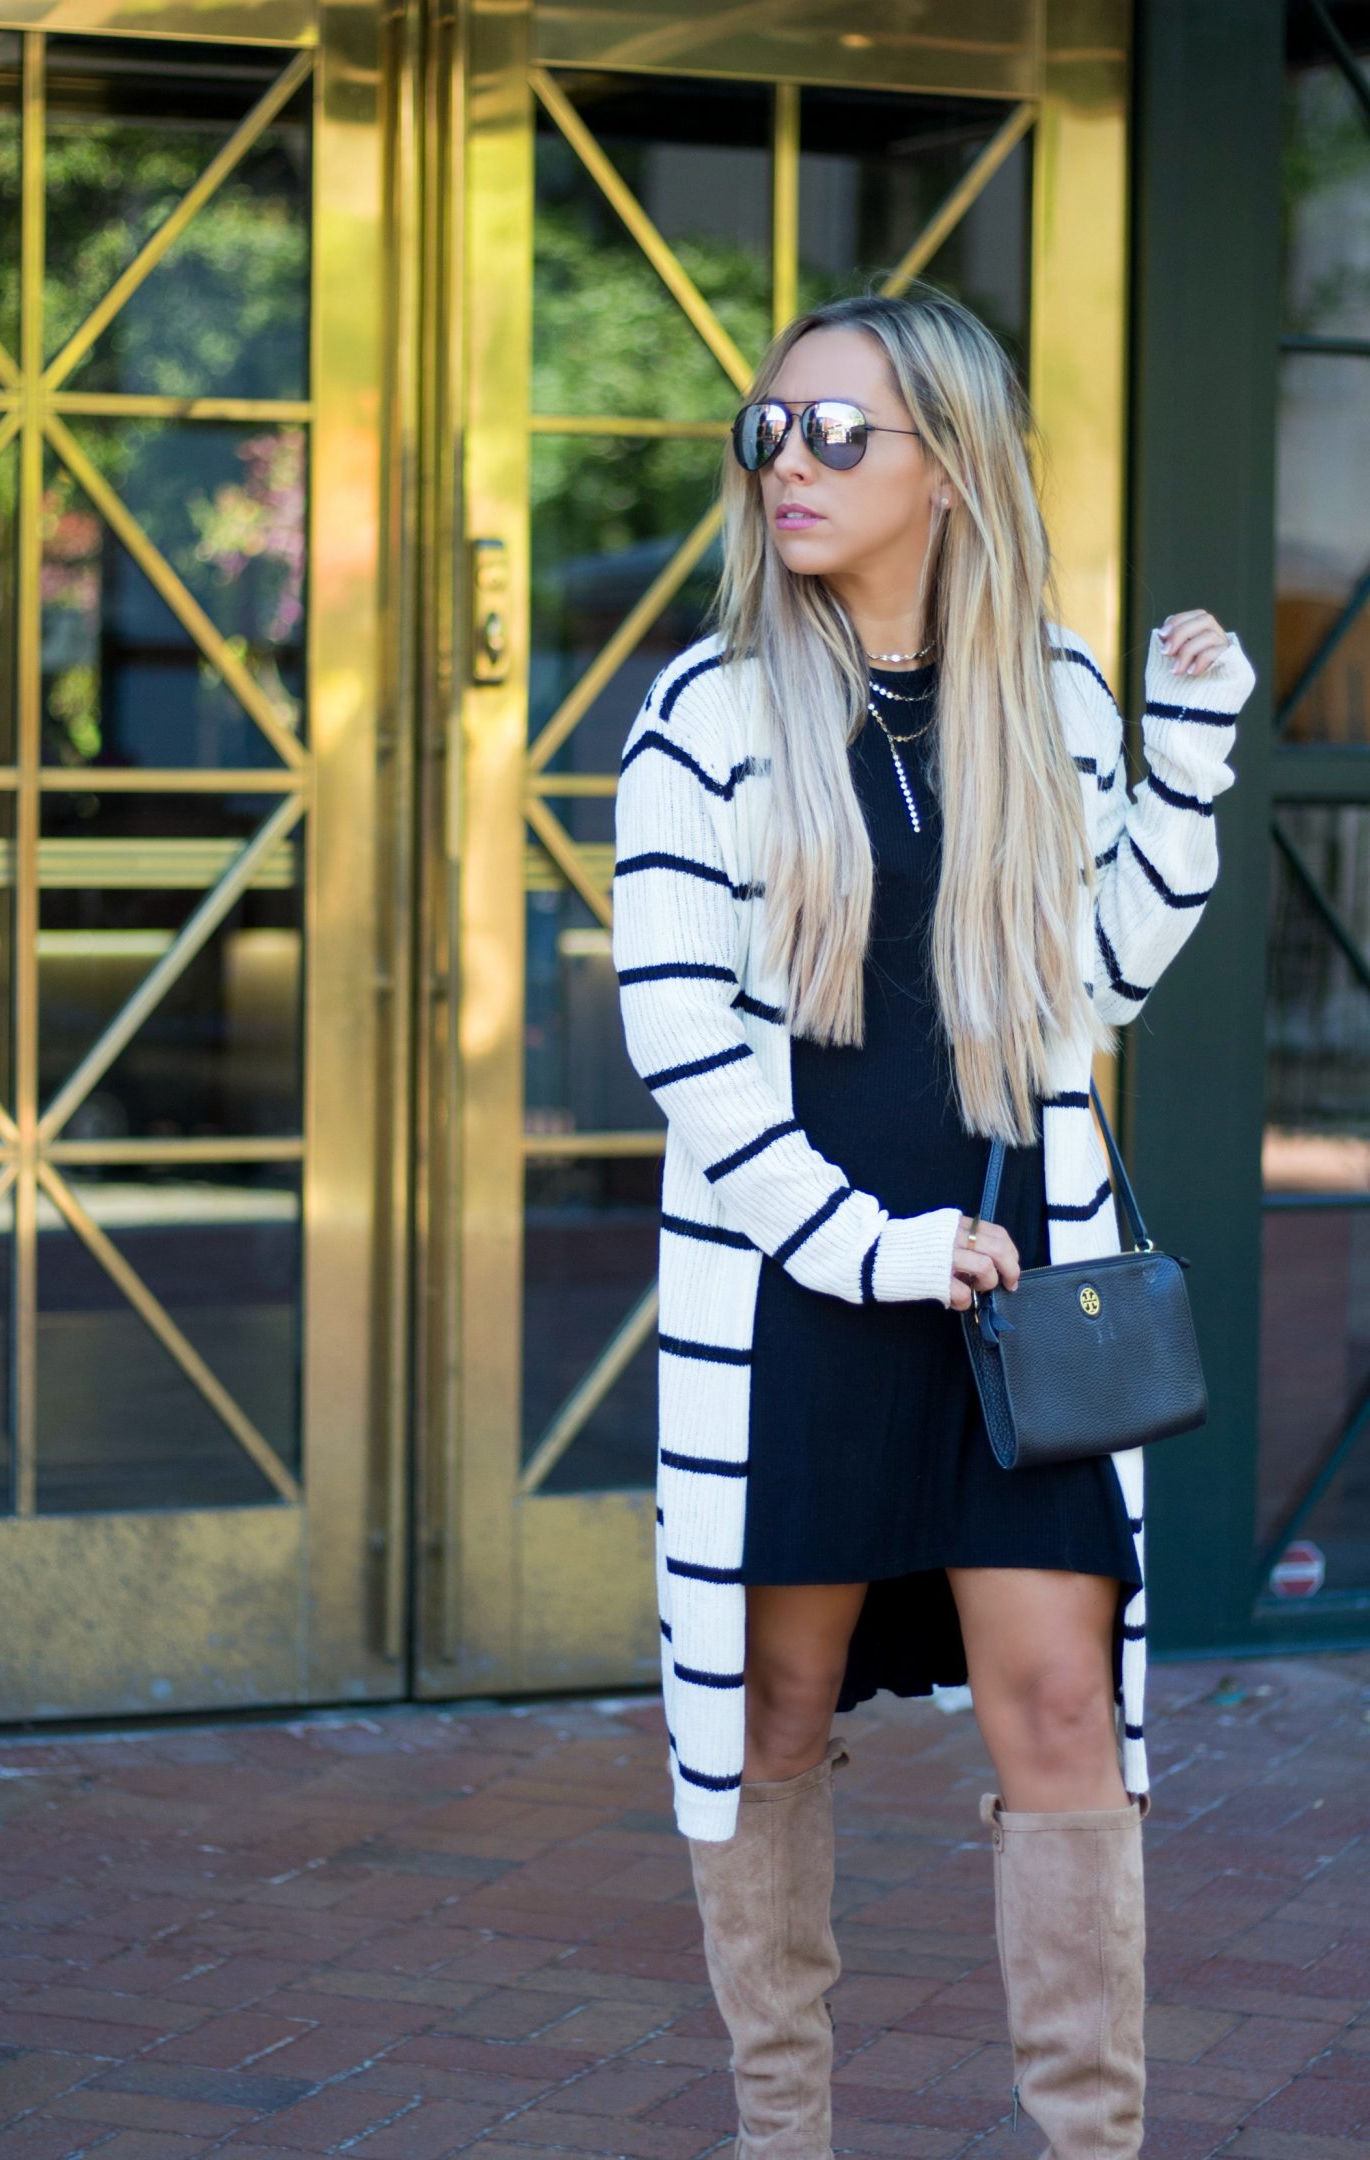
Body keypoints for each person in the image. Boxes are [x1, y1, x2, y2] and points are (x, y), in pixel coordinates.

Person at [610, 286, 1256, 2159]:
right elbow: (685, 1049)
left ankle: (1092, 2143)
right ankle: (784, 2134)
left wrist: (1185, 763)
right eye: (769, 428)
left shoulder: (1047, 693)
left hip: (1014, 1303)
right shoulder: (709, 713)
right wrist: (872, 1248)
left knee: (1060, 1710)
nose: (788, 463)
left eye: (839, 431)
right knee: (778, 1709)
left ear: (953, 469)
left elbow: (1097, 980)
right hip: (799, 1302)